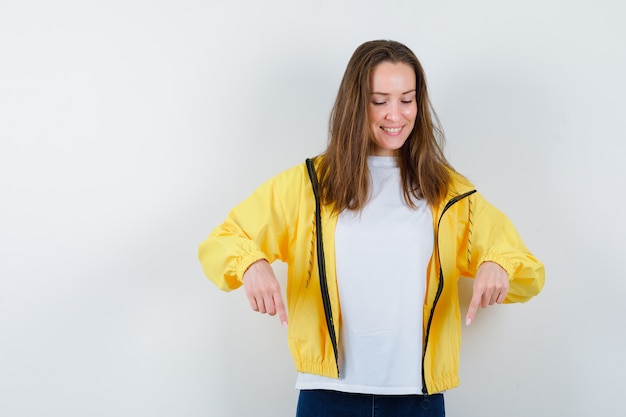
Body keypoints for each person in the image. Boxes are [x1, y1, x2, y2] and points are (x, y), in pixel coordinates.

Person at [198, 40, 545, 417]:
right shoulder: (308, 186)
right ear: (355, 103)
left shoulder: (450, 194)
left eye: (406, 99)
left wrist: (498, 264)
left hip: (419, 400)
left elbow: (527, 271)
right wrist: (250, 263)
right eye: (379, 100)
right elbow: (222, 240)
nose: (395, 114)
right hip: (327, 396)